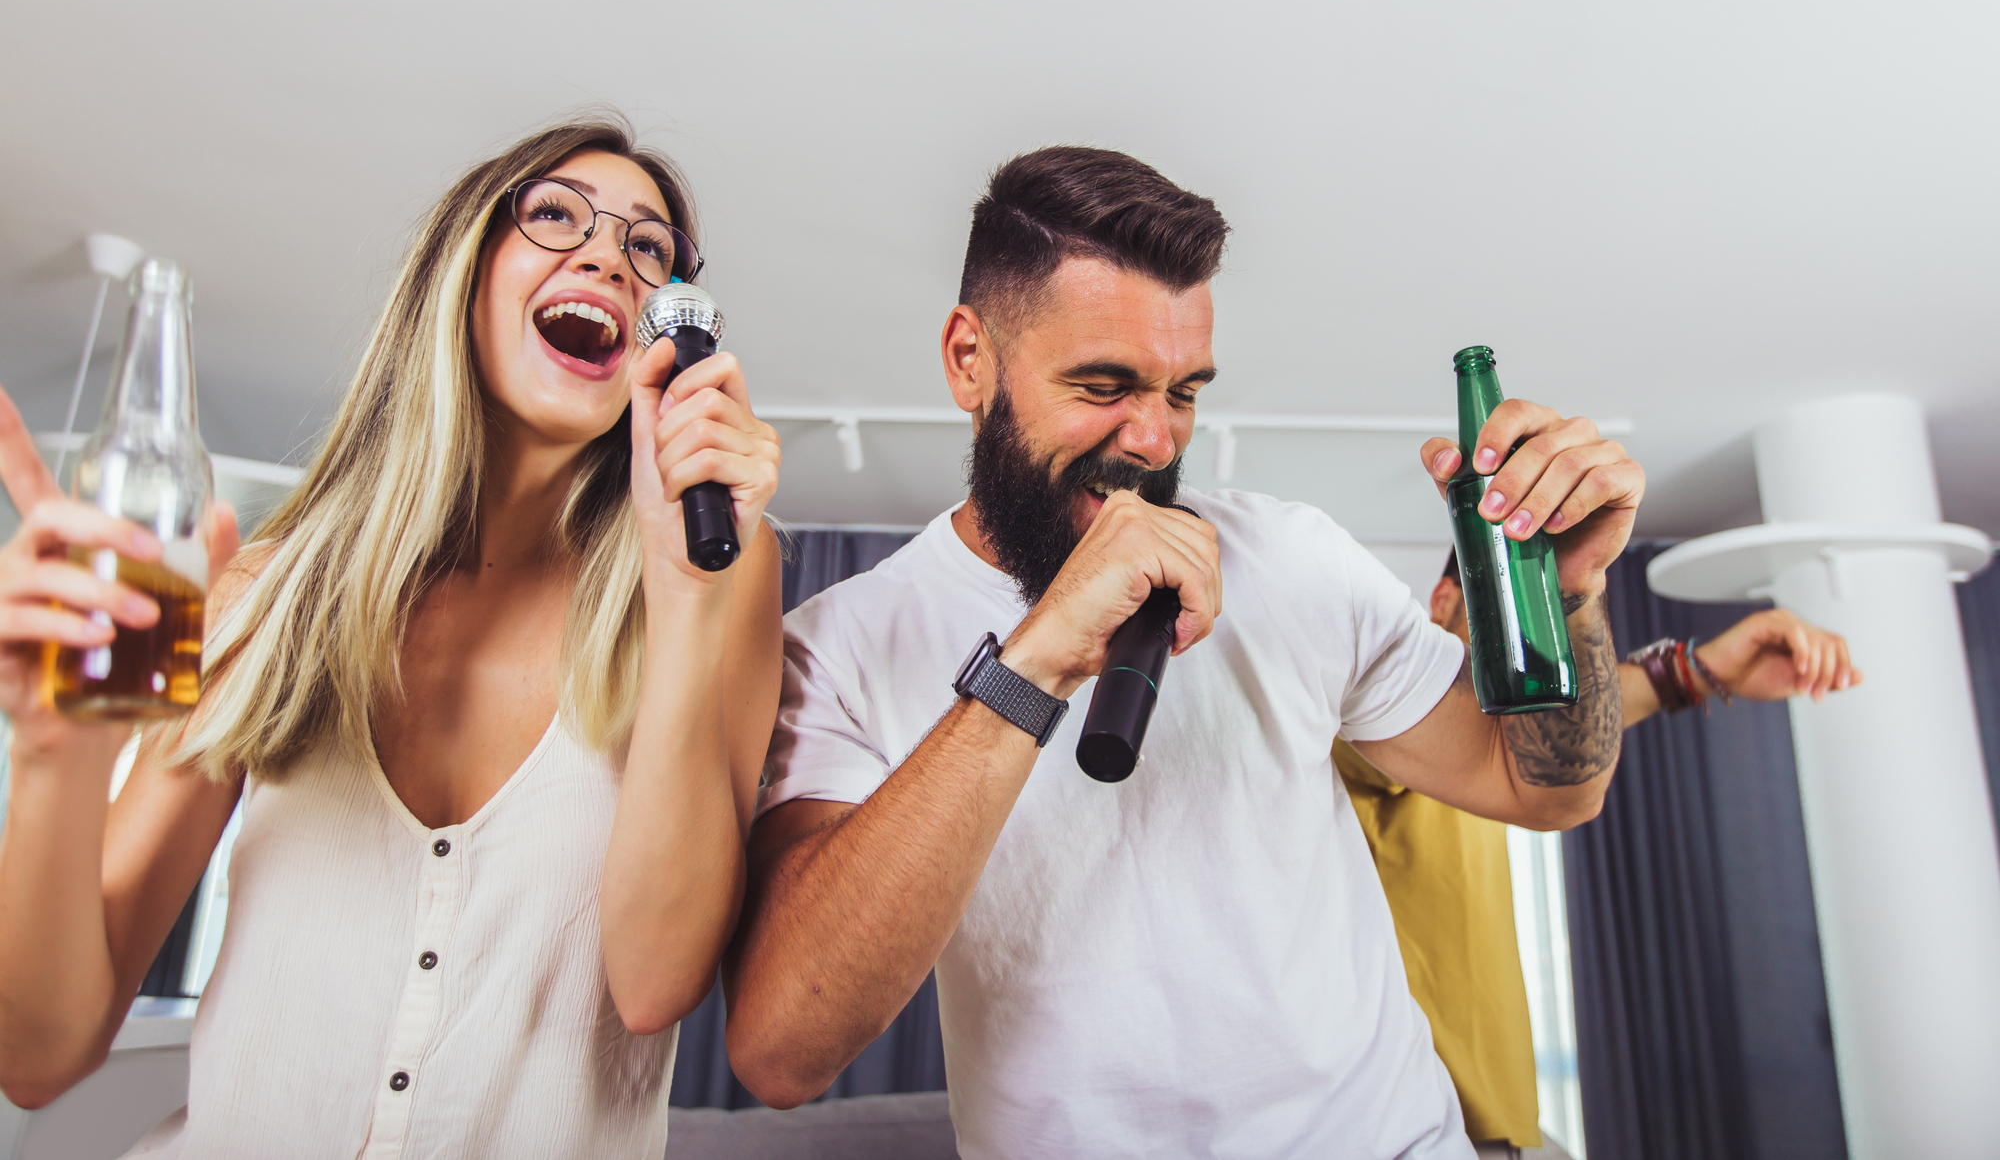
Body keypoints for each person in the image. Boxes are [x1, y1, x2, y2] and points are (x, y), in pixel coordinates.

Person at [722, 146, 1643, 1158]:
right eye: (1103, 384)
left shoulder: (1289, 557)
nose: (1155, 439)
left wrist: (1569, 596)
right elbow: (781, 1051)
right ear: (966, 358)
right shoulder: (842, 645)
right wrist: (1031, 662)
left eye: (1183, 390)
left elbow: (1548, 788)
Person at [0, 116, 784, 1158]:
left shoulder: (712, 577)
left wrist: (680, 585)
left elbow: (653, 984)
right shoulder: (267, 596)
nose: (607, 255)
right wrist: (58, 753)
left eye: (651, 249)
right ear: (460, 276)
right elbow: (40, 1052)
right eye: (553, 215)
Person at [1333, 550, 1862, 1158]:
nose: (1534, 643)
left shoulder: (1508, 747)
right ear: (1446, 602)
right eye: (1514, 609)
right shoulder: (1365, 717)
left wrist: (1698, 669)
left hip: (1503, 1124)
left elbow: (1562, 740)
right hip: (1421, 1125)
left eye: (1551, 622)